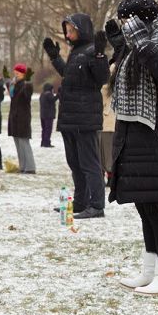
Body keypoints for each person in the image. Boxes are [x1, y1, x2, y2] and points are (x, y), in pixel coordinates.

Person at [106, 0, 158, 295]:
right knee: (143, 205)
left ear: (142, 18)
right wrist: (124, 46)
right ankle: (150, 269)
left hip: (157, 135)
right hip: (134, 135)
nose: (125, 26)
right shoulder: (132, 45)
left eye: (128, 19)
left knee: (157, 206)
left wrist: (144, 46)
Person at [43, 13, 109, 219]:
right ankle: (80, 202)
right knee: (75, 163)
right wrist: (55, 58)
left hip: (85, 118)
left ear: (82, 30)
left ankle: (97, 205)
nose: (68, 34)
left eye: (71, 30)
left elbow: (102, 78)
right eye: (67, 30)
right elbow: (70, 75)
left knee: (89, 163)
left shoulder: (92, 52)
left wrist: (100, 56)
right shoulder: (76, 53)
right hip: (69, 117)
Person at [7, 63, 36, 174]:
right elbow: (11, 93)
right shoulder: (15, 84)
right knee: (18, 143)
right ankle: (23, 166)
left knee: (24, 143)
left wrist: (28, 81)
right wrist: (7, 81)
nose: (16, 75)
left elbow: (27, 93)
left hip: (23, 118)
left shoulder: (26, 84)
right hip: (14, 118)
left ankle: (30, 167)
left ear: (24, 74)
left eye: (18, 73)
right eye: (15, 73)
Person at [99, 63, 116, 186]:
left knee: (105, 154)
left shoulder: (106, 88)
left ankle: (109, 177)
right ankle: (109, 177)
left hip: (109, 124)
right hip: (109, 124)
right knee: (108, 154)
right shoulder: (106, 88)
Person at [39, 83, 58, 147]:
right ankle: (47, 143)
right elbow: (52, 100)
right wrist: (58, 95)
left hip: (42, 115)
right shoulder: (49, 94)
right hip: (48, 115)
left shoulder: (42, 94)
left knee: (44, 129)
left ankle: (43, 142)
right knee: (48, 129)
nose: (53, 90)